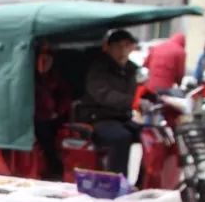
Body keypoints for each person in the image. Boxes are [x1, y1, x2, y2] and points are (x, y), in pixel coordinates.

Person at [79, 29, 142, 178]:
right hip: (99, 117)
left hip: (123, 118)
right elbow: (103, 94)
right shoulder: (98, 68)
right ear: (109, 47)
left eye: (127, 45)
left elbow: (142, 90)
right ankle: (116, 180)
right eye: (118, 46)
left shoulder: (132, 69)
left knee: (149, 135)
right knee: (121, 137)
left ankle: (143, 182)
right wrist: (132, 102)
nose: (123, 50)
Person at [33, 46, 72, 180]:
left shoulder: (54, 77)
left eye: (48, 59)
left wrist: (57, 111)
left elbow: (65, 95)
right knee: (45, 133)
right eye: (41, 59)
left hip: (54, 116)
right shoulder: (29, 78)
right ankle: (53, 167)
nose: (44, 63)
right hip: (36, 118)